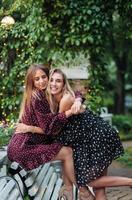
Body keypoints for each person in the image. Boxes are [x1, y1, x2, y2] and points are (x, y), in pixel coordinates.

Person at [17, 68, 132, 200]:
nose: (54, 84)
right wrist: (78, 98)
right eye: (52, 80)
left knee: (89, 181)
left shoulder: (65, 100)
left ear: (64, 84)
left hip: (99, 138)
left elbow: (54, 129)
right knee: (98, 191)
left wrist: (29, 128)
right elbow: (77, 94)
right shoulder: (51, 99)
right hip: (86, 141)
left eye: (58, 81)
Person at [7, 64, 86, 200]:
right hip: (23, 148)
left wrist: (78, 99)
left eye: (44, 77)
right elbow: (50, 128)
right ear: (32, 82)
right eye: (36, 79)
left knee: (66, 150)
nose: (41, 81)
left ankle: (71, 192)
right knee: (67, 152)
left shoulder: (45, 93)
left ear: (48, 77)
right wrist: (68, 113)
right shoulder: (37, 98)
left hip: (23, 145)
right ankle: (83, 191)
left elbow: (73, 90)